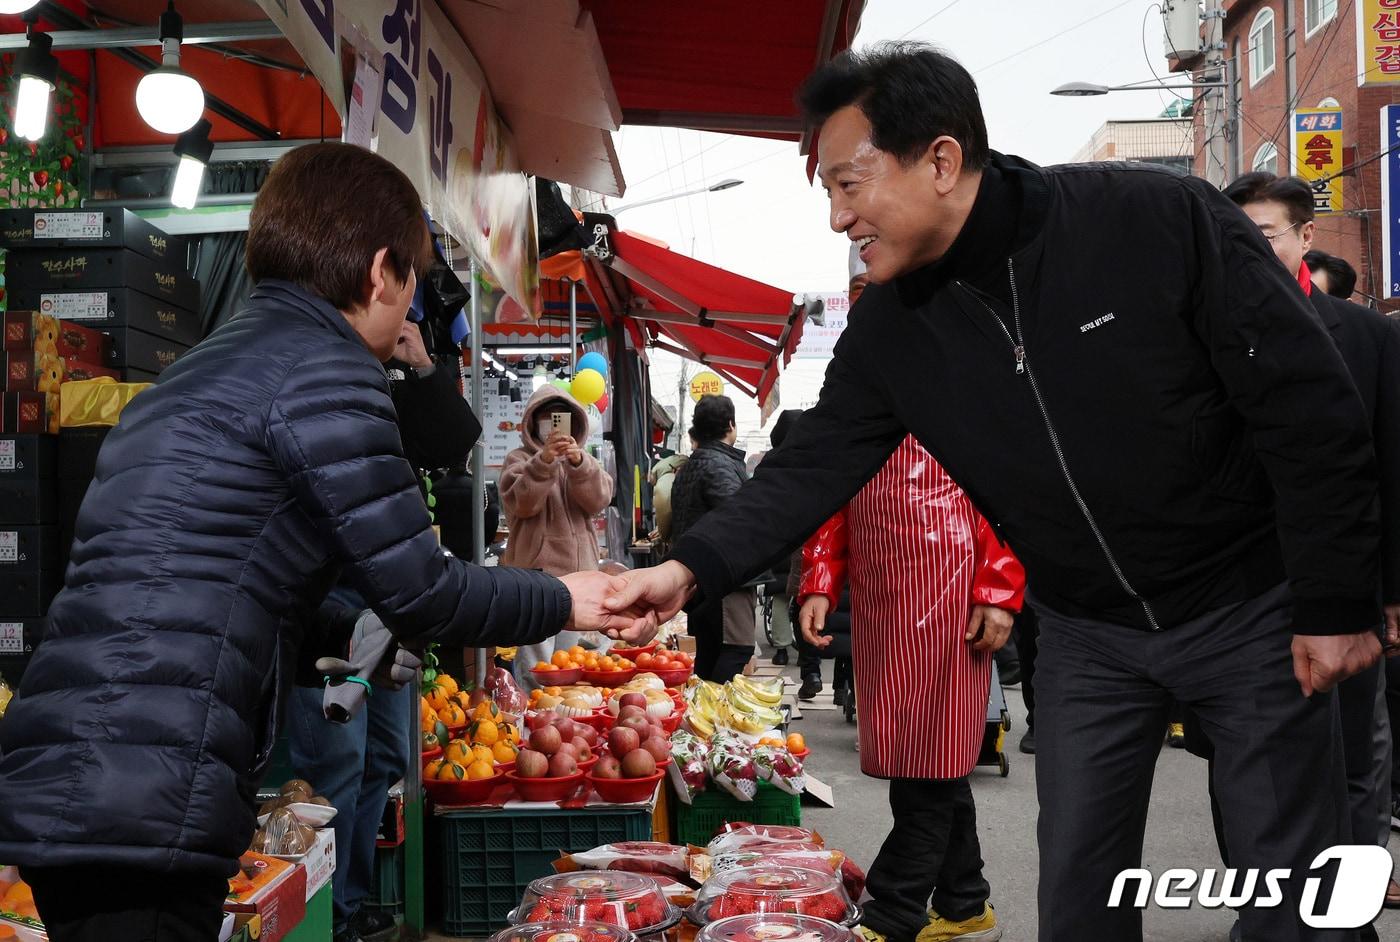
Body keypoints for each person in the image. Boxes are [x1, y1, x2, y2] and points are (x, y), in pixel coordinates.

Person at [604, 43, 1382, 942]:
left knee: (1294, 896)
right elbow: (813, 461)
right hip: (1090, 638)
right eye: (828, 192)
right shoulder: (893, 330)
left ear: (941, 160)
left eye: (850, 184)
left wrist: (1335, 596)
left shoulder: (1151, 218)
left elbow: (1306, 400)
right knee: (1080, 895)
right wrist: (688, 570)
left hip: (1249, 606)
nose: (837, 218)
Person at [0, 142, 653, 942]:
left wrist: (349, 632)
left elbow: (206, 586)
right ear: (381, 272)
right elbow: (427, 589)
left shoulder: (204, 370)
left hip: (88, 767)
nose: (413, 312)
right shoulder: (327, 370)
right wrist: (567, 595)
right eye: (412, 282)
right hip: (145, 789)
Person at [1222, 171, 1400, 925]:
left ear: (1304, 236)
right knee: (1239, 767)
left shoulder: (1367, 337)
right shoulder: (1203, 330)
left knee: (1353, 760)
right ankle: (1260, 908)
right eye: (1234, 237)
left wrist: (1389, 592)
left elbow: (1388, 467)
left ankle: (1345, 914)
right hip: (1234, 597)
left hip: (1344, 588)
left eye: (1261, 234)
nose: (1246, 251)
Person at [287, 314, 481, 942]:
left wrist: (422, 365)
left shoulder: (394, 377)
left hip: (390, 599)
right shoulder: (307, 367)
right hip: (328, 603)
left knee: (387, 756)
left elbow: (454, 443)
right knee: (335, 761)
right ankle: (331, 916)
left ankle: (351, 898)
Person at [797, 438, 1024, 942]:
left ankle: (895, 907)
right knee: (921, 756)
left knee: (931, 759)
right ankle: (964, 902)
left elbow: (1007, 480)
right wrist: (820, 578)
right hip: (885, 596)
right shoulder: (864, 389)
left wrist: (999, 586)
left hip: (950, 585)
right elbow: (836, 484)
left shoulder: (970, 379)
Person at [500, 384, 616, 691]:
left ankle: (568, 721)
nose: (554, 424)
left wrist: (579, 464)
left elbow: (600, 499)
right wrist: (544, 462)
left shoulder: (581, 460)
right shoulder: (517, 460)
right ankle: (532, 721)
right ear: (533, 422)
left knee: (572, 660)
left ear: (574, 423)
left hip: (580, 577)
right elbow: (522, 505)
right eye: (547, 418)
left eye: (561, 418)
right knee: (536, 663)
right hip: (536, 579)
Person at [668, 394, 756, 682]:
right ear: (730, 425)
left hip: (699, 574)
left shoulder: (692, 464)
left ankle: (703, 713)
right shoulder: (719, 465)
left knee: (708, 651)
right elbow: (736, 520)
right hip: (724, 577)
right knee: (735, 649)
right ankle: (715, 712)